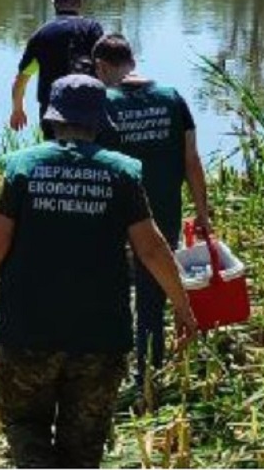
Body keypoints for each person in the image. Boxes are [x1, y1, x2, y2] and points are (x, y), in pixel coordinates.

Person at [0, 74, 199, 468]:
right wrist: (183, 307)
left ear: (51, 119)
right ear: (99, 123)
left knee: (26, 427)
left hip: (28, 332)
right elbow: (151, 248)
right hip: (99, 338)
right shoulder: (121, 173)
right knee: (83, 447)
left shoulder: (24, 168)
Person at [91, 33, 214, 391]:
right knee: (153, 290)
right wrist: (203, 213)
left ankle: (109, 365)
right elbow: (192, 160)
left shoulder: (103, 103)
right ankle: (149, 369)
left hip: (114, 217)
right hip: (163, 212)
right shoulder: (172, 99)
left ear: (101, 66)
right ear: (131, 61)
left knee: (109, 289)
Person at [9, 0, 104, 140]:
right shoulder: (93, 29)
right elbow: (108, 66)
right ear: (80, 2)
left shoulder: (41, 35)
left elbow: (21, 79)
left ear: (54, 4)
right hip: (88, 108)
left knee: (55, 159)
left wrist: (17, 109)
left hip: (53, 113)